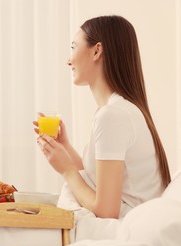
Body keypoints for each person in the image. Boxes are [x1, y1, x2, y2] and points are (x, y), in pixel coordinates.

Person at [34, 15, 171, 219]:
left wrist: (67, 171)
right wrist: (66, 148)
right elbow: (99, 182)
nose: (68, 60)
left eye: (73, 47)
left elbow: (106, 211)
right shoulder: (119, 110)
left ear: (97, 50)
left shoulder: (113, 115)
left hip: (125, 232)